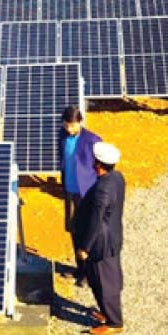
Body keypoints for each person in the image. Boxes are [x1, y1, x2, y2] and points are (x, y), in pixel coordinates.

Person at [75, 141, 125, 335]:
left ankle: (114, 322)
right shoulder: (117, 178)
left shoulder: (102, 190)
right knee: (103, 279)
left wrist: (85, 247)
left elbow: (96, 221)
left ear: (98, 164)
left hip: (100, 243)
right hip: (112, 237)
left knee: (105, 283)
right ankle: (107, 313)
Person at [58, 105, 101, 284]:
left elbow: (100, 168)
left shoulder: (93, 140)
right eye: (67, 125)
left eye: (73, 125)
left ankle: (89, 272)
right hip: (69, 190)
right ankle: (80, 269)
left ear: (81, 122)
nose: (69, 129)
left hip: (85, 192)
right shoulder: (61, 136)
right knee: (73, 230)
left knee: (86, 231)